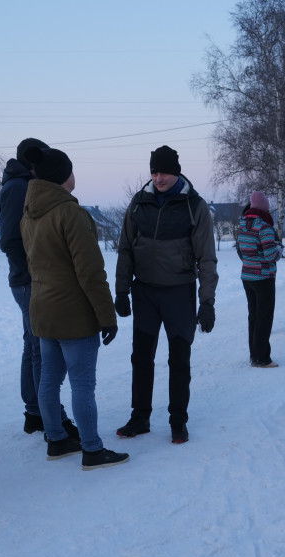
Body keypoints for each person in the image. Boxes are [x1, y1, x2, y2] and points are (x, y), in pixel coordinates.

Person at [20, 146, 127, 471]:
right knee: (82, 384)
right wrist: (107, 317)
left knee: (49, 378)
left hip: (41, 309)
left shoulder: (29, 213)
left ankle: (56, 439)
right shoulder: (70, 214)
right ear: (64, 176)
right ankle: (92, 449)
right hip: (72, 313)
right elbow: (90, 272)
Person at [114, 145, 218, 444]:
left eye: (164, 172)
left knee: (179, 361)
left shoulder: (193, 205)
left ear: (176, 172)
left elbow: (207, 258)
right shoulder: (138, 203)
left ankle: (178, 421)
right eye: (154, 171)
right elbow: (125, 249)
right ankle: (140, 417)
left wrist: (207, 301)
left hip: (178, 294)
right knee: (141, 359)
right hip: (145, 292)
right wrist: (122, 290)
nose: (158, 178)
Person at [0, 138, 77, 439]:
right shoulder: (19, 188)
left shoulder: (19, 184)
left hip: (27, 279)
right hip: (29, 281)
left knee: (33, 345)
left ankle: (35, 412)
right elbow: (10, 240)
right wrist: (34, 271)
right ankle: (50, 415)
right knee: (42, 349)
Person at [236, 191, 282, 367]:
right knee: (264, 317)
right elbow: (270, 254)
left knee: (253, 316)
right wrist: (278, 251)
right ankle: (262, 358)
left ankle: (254, 354)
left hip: (247, 275)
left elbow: (242, 250)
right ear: (265, 207)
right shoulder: (264, 226)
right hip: (263, 277)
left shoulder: (242, 224)